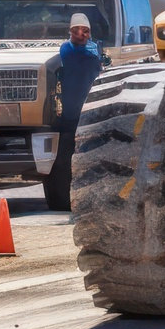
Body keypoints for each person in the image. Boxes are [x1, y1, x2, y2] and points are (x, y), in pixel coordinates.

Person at [45, 13, 105, 211]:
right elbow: (82, 56)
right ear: (70, 32)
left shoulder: (92, 49)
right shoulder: (69, 50)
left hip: (89, 114)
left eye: (84, 30)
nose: (80, 34)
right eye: (76, 30)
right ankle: (66, 200)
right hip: (72, 116)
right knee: (66, 161)